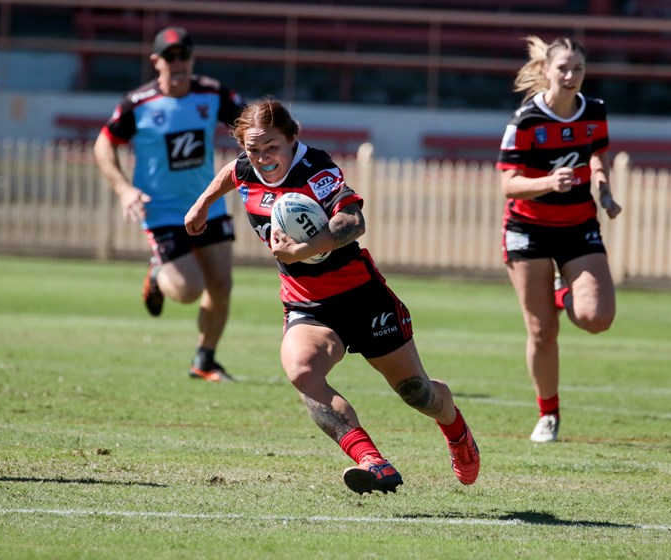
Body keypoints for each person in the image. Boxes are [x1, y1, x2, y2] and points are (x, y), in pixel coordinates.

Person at [184, 98, 480, 494]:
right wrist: (203, 203)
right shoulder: (245, 167)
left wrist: (299, 251)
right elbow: (231, 173)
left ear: (292, 138)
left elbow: (353, 222)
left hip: (362, 297)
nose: (262, 158)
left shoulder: (316, 169)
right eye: (252, 149)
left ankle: (457, 431)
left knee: (418, 393)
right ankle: (372, 462)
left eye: (271, 147)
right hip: (307, 303)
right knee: (302, 371)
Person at [94, 27, 245, 382]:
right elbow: (103, 145)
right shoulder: (138, 103)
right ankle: (159, 275)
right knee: (190, 289)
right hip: (161, 211)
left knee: (221, 285)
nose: (178, 63)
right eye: (170, 57)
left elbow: (250, 124)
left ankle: (204, 360)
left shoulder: (213, 93)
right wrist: (124, 190)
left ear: (191, 59)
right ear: (156, 61)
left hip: (208, 206)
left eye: (184, 56)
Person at [496, 36, 623, 443]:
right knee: (541, 332)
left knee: (596, 318)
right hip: (527, 230)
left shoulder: (595, 112)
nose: (571, 76)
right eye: (563, 68)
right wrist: (549, 181)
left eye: (578, 69)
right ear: (547, 71)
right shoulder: (526, 120)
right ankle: (548, 414)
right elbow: (508, 184)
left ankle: (558, 292)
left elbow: (599, 154)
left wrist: (603, 190)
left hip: (577, 227)